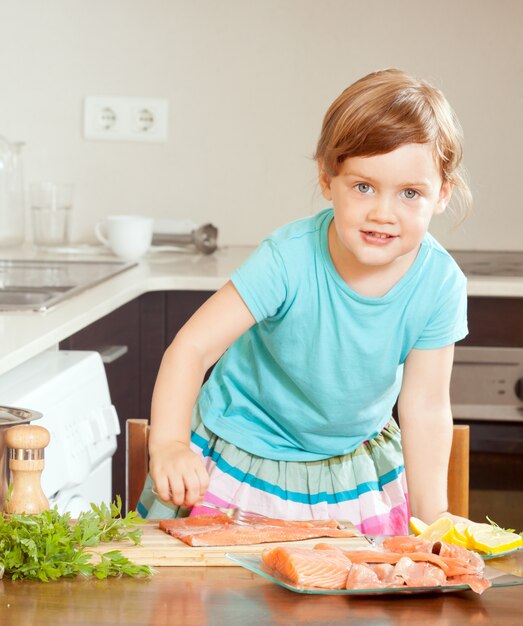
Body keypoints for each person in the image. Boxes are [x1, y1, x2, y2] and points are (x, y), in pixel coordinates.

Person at [137, 68, 472, 536]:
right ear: (326, 177)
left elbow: (426, 406)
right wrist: (169, 444)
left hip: (350, 471)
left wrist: (433, 517)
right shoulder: (288, 258)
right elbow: (191, 349)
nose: (382, 212)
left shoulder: (439, 283)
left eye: (410, 193)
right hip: (240, 455)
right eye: (363, 186)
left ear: (442, 195)